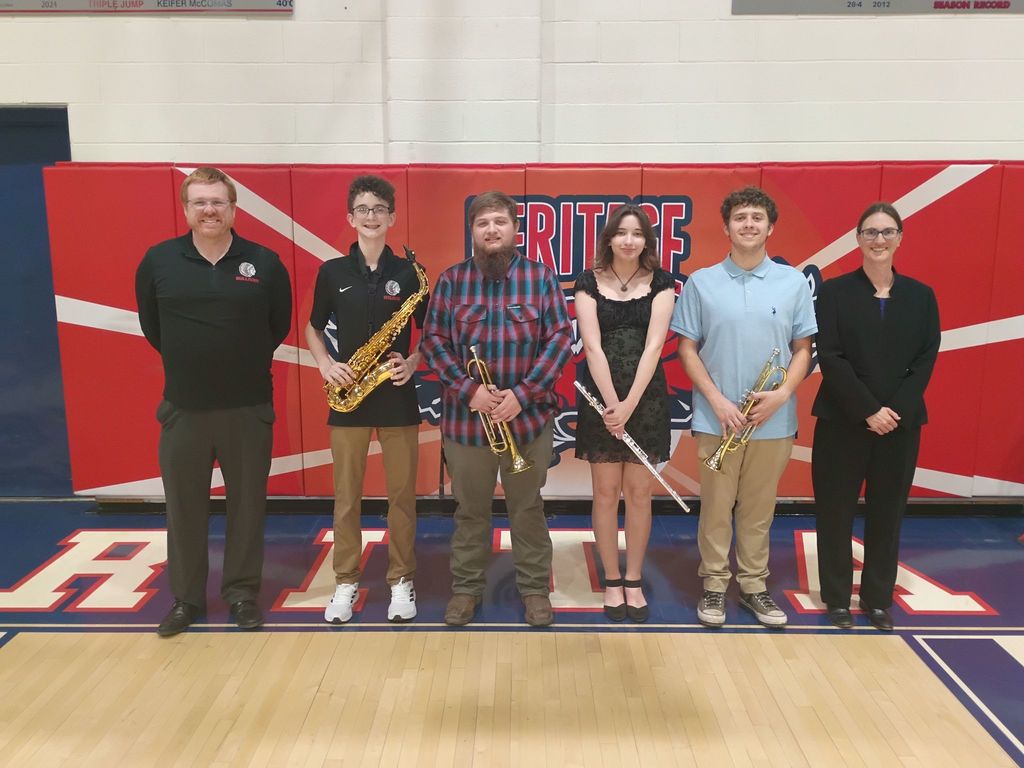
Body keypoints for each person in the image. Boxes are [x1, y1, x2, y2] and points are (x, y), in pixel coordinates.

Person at [135, 166, 292, 637]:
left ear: (233, 208)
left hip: (247, 409)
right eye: (200, 202)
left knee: (248, 507)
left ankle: (242, 594)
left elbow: (276, 326)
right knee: (184, 508)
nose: (209, 210)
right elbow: (153, 329)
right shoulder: (159, 261)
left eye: (218, 202)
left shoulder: (263, 263)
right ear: (186, 209)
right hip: (185, 409)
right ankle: (185, 599)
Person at [421, 190, 573, 628]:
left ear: (515, 230)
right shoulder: (451, 281)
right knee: (470, 511)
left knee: (527, 510)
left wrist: (522, 394)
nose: (491, 230)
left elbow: (560, 339)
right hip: (467, 424)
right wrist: (470, 390)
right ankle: (466, 589)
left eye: (499, 222)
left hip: (526, 421)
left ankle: (533, 590)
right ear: (472, 231)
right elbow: (433, 342)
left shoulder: (541, 278)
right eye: (482, 223)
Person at [672, 186, 816, 629]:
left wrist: (781, 395)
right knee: (716, 507)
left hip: (772, 420)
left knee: (758, 509)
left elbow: (803, 348)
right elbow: (687, 348)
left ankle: (754, 586)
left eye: (757, 217)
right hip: (717, 418)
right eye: (740, 218)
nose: (748, 224)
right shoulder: (701, 282)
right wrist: (715, 400)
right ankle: (715, 584)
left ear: (770, 227)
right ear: (726, 227)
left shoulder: (792, 282)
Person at [812, 202, 940, 632]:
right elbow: (830, 355)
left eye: (887, 232)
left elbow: (925, 358)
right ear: (858, 239)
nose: (879, 240)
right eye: (870, 232)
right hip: (842, 419)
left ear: (900, 238)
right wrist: (868, 409)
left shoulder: (922, 296)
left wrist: (894, 411)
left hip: (900, 425)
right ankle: (836, 599)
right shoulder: (833, 292)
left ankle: (878, 598)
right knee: (835, 512)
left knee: (888, 512)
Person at [305, 175, 427, 625]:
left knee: (401, 497)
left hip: (396, 394)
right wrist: (324, 364)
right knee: (347, 497)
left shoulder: (411, 274)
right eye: (363, 209)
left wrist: (414, 360)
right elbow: (312, 329)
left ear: (392, 217)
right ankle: (345, 581)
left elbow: (433, 335)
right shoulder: (331, 272)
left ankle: (401, 580)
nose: (371, 216)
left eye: (379, 209)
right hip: (349, 395)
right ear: (350, 218)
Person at [574, 205, 674, 623]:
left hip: (645, 398)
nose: (629, 240)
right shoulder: (587, 281)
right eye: (622, 233)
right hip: (601, 398)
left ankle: (633, 579)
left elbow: (655, 346)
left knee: (638, 494)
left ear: (646, 241)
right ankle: (611, 579)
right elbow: (592, 346)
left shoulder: (663, 282)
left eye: (637, 234)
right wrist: (612, 404)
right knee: (604, 493)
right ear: (609, 238)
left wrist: (630, 403)